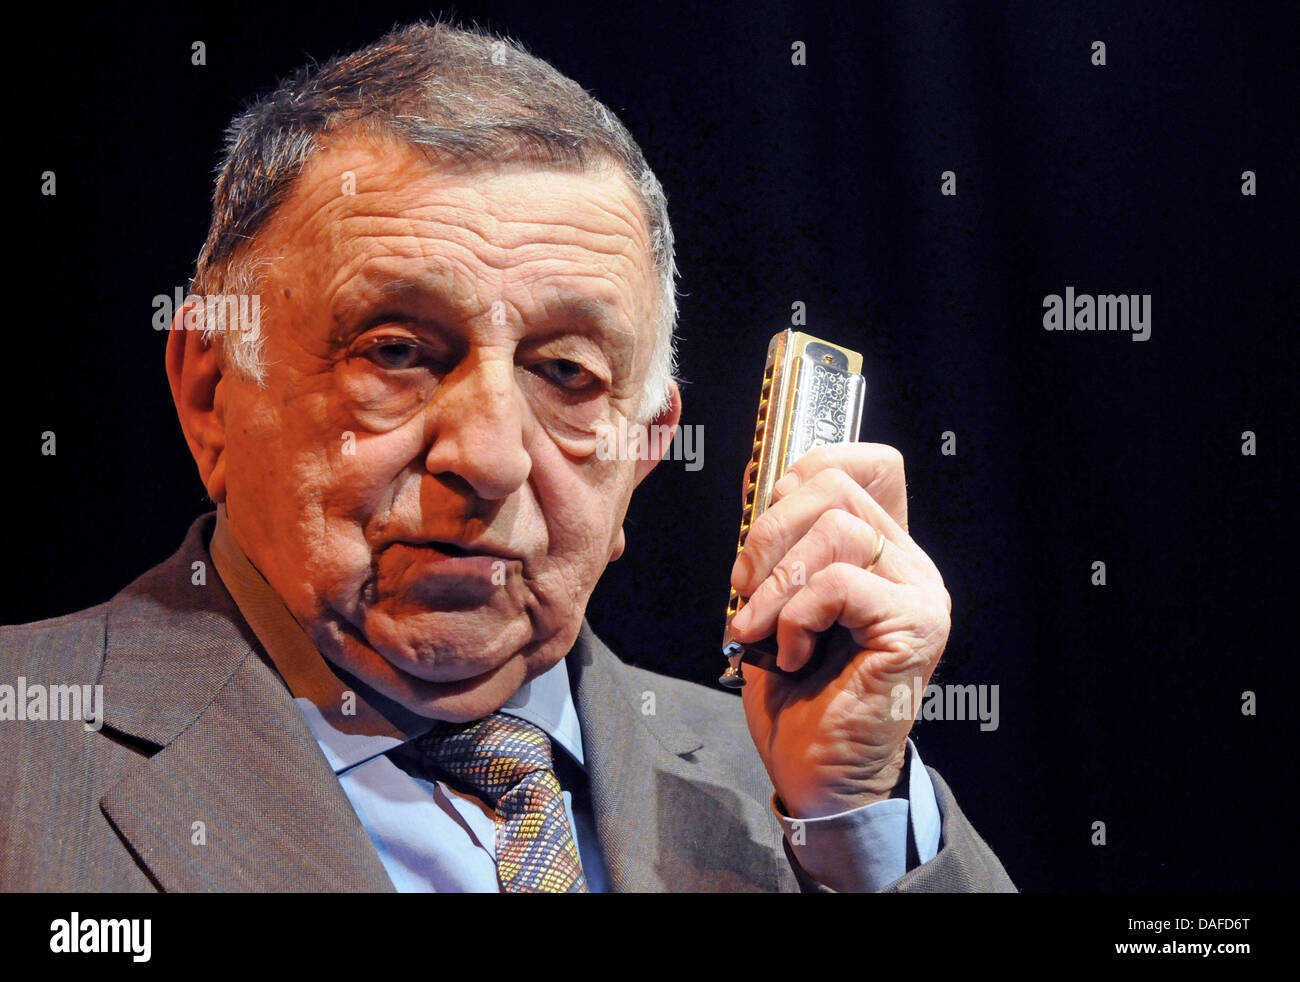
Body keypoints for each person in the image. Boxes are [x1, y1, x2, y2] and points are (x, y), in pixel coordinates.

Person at [0, 20, 1013, 892]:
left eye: (566, 374)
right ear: (210, 391)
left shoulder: (807, 806)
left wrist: (846, 826)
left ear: (644, 452)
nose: (488, 456)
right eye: (396, 352)